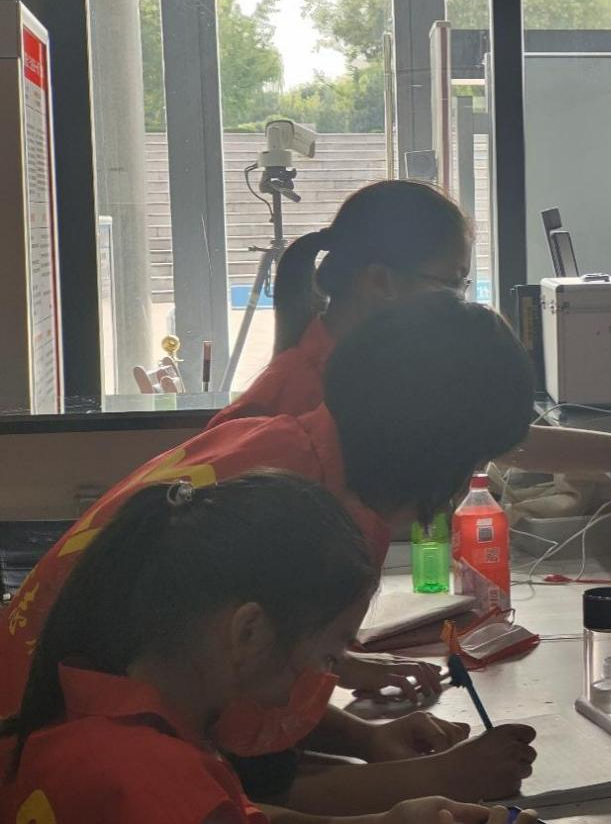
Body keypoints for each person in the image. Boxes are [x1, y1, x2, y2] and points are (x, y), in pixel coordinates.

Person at [0, 294, 540, 816]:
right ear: (434, 455)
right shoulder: (299, 520)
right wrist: (438, 779)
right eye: (473, 459)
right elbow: (246, 784)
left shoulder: (283, 450)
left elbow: (242, 686)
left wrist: (365, 738)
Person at [1, 472, 537, 824]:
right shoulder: (154, 780)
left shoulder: (95, 706)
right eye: (328, 658)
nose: (319, 683)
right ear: (250, 633)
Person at [211, 180, 611, 481]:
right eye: (451, 285)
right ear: (380, 282)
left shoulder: (362, 371)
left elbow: (503, 440)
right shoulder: (313, 395)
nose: (461, 304)